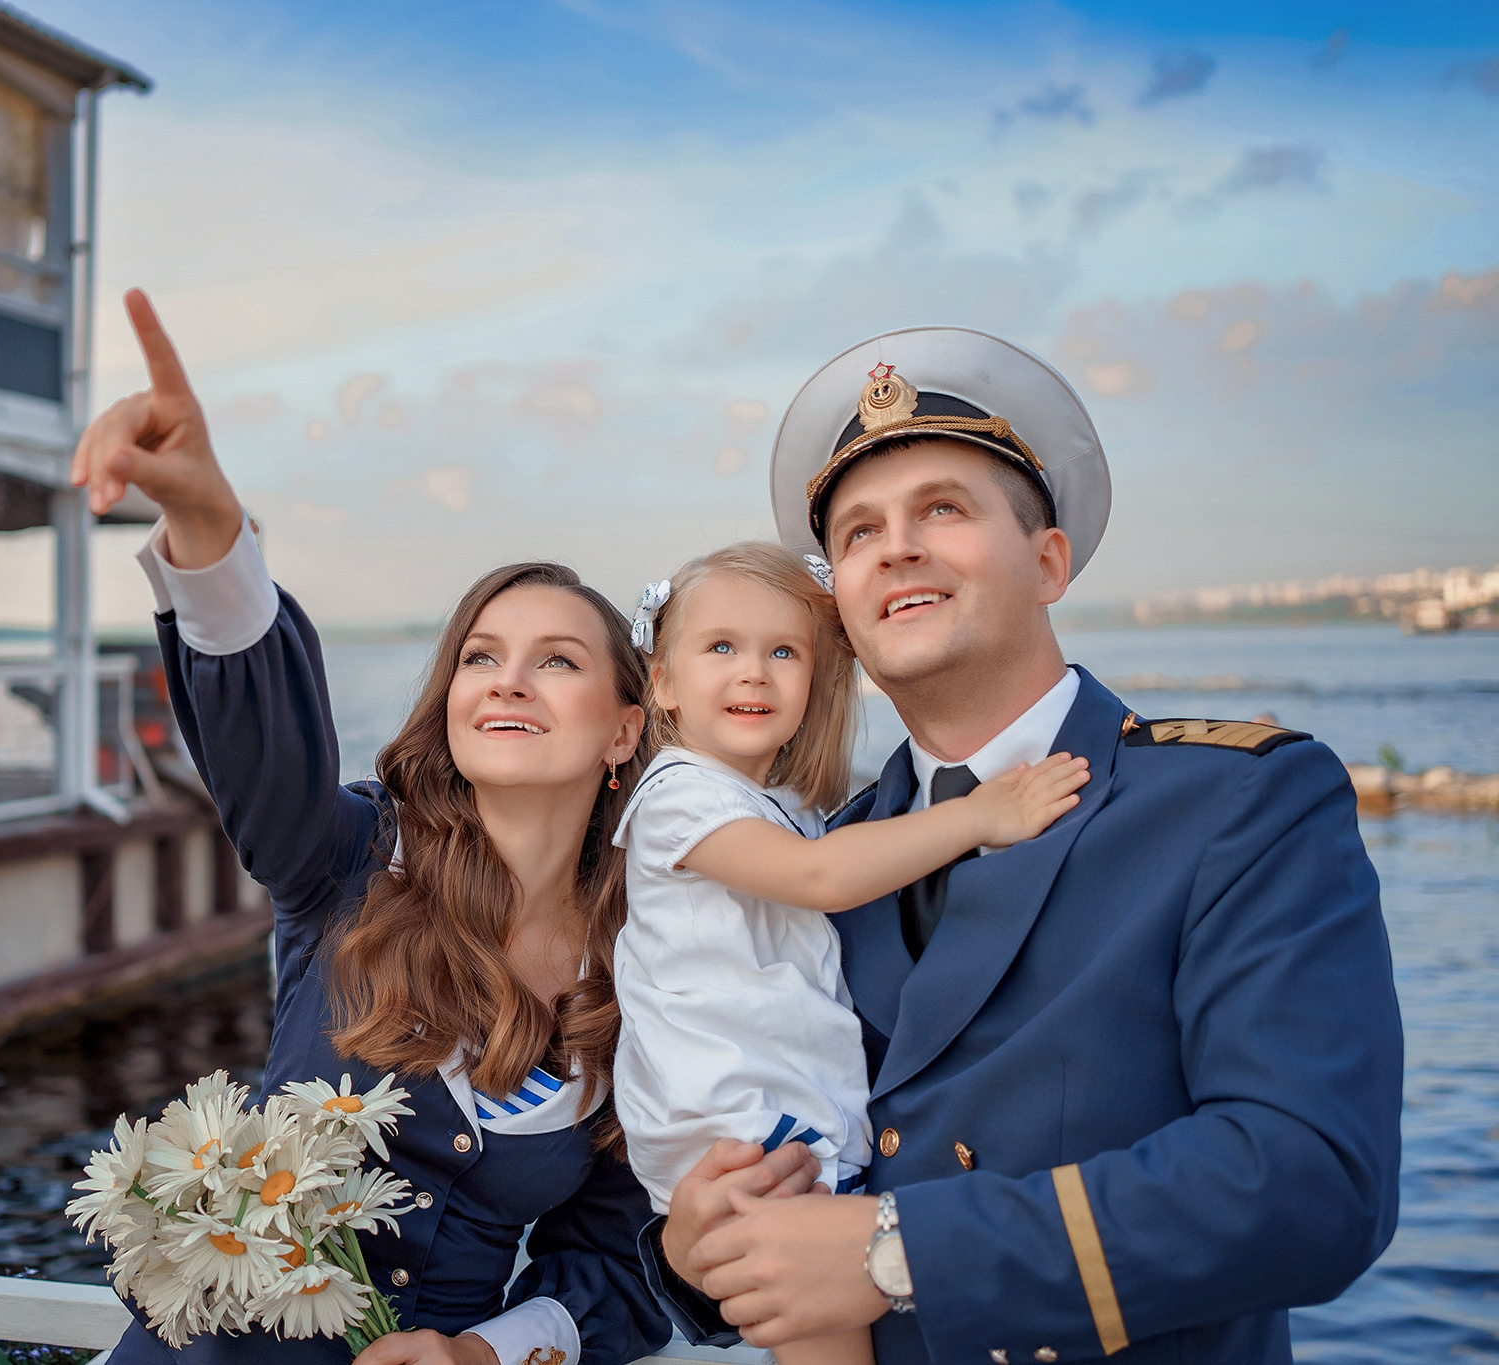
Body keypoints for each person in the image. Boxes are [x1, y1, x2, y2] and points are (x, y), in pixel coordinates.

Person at [639, 327, 1403, 1363]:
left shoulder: (1236, 802)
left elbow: (1313, 1182)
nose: (895, 547)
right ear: (842, 614)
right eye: (858, 533)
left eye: (940, 510)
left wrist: (895, 1252)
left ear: (1047, 562)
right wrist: (692, 1251)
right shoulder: (826, 853)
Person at [70, 290, 672, 1365]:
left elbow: (618, 1254)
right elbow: (263, 736)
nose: (506, 681)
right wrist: (209, 524)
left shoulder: (652, 965)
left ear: (624, 729)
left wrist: (479, 1352)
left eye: (557, 659)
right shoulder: (348, 861)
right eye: (480, 656)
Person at [610, 540, 1089, 1365]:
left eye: (783, 651)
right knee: (825, 1335)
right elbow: (821, 877)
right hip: (734, 1117)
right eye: (720, 646)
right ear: (662, 683)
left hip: (777, 1105)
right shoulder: (677, 795)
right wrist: (981, 815)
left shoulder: (781, 803)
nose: (753, 672)